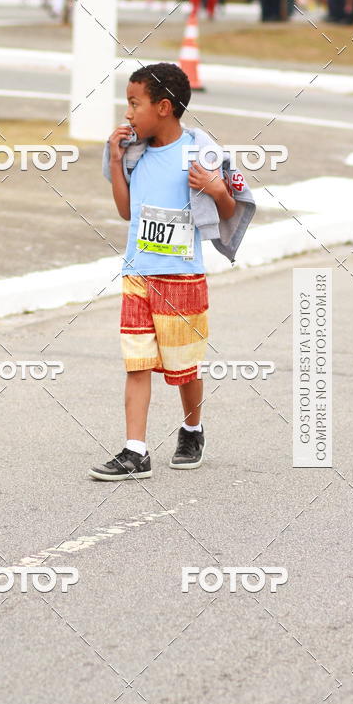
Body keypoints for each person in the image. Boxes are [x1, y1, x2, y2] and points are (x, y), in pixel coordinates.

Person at [91, 63, 256, 480]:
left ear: (163, 107)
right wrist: (114, 161)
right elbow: (127, 211)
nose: (127, 113)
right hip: (138, 274)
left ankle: (192, 428)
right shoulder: (134, 153)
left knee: (185, 368)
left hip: (182, 278)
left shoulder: (199, 153)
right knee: (137, 362)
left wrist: (218, 190)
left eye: (134, 104)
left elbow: (228, 211)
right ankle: (135, 450)